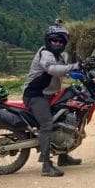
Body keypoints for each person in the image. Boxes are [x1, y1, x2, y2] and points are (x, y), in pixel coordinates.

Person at [23, 24, 80, 177]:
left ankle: (63, 156)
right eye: (54, 40)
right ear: (49, 40)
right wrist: (72, 67)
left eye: (61, 42)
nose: (57, 43)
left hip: (49, 94)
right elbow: (52, 69)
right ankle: (46, 166)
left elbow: (64, 70)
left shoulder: (59, 56)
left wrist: (81, 70)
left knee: (65, 114)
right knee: (47, 124)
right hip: (35, 95)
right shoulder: (46, 54)